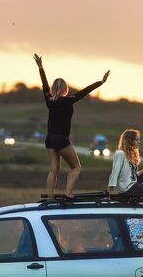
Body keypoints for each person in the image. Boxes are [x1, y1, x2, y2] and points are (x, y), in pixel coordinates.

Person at [34, 53, 110, 198]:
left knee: (53, 170)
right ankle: (68, 192)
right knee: (76, 167)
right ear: (65, 89)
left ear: (53, 89)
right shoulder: (68, 100)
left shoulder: (49, 100)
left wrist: (40, 67)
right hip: (61, 139)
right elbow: (85, 91)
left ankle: (50, 197)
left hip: (49, 139)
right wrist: (101, 82)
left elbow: (44, 85)